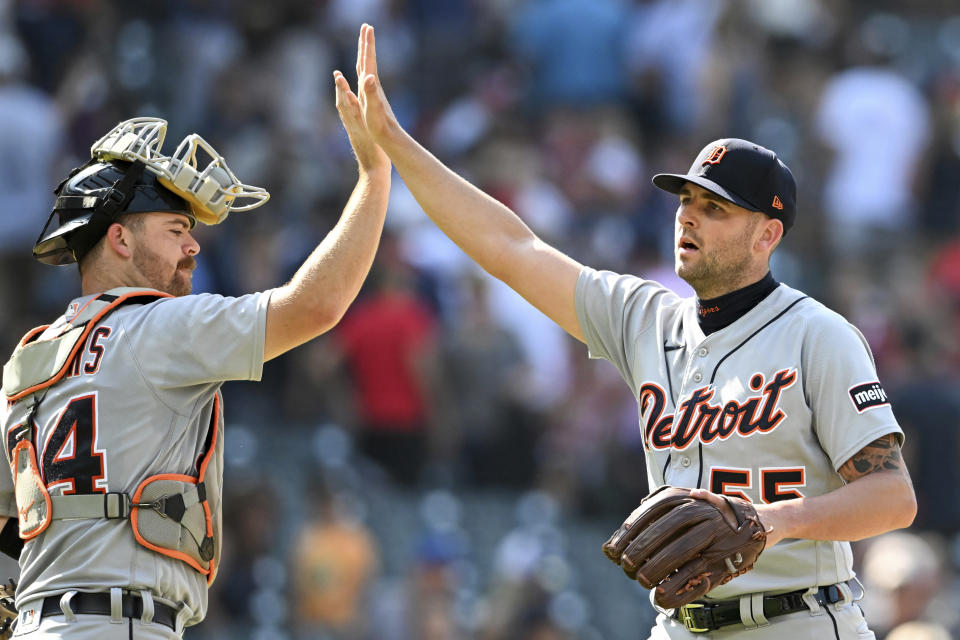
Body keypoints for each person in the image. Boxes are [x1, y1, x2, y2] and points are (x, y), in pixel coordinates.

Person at [348, 23, 917, 639]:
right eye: (685, 202)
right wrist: (396, 144)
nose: (689, 218)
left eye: (715, 209)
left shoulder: (819, 336)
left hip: (798, 618)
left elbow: (893, 497)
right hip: (678, 627)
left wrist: (769, 521)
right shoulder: (642, 317)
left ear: (767, 234)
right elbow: (510, 246)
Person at [0, 35, 390, 639]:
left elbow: (8, 526)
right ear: (120, 240)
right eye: (176, 227)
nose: (193, 246)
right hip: (124, 624)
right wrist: (373, 176)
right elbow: (316, 306)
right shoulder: (159, 326)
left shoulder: (28, 361)